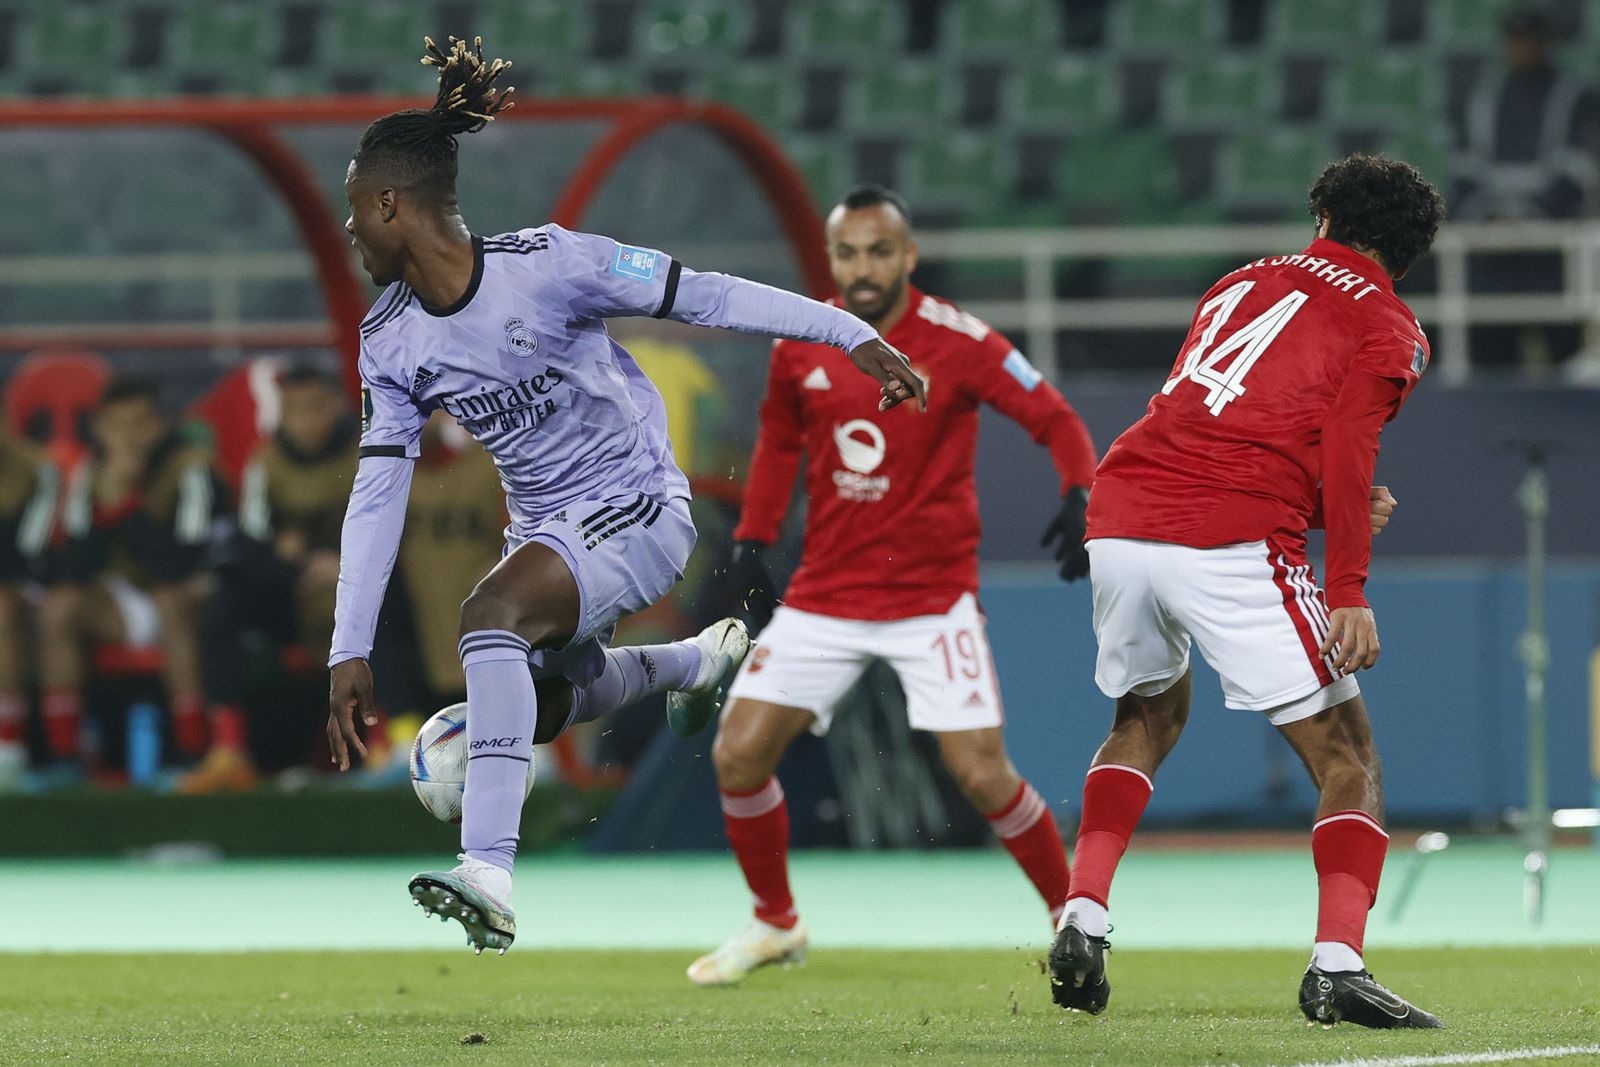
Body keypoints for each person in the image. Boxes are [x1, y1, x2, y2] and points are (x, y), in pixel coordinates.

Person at [326, 37, 927, 955]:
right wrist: (349, 645)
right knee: (545, 697)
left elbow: (709, 296)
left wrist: (847, 332)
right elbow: (378, 493)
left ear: (390, 204)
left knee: (490, 616)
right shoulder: (390, 340)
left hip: (639, 505)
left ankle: (487, 870)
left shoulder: (553, 264)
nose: (349, 232)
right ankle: (692, 664)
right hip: (550, 532)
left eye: (354, 213)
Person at [1047, 154, 1446, 1030]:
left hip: (1120, 515)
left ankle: (1082, 912)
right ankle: (1338, 963)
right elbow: (1346, 448)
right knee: (1349, 755)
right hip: (1225, 540)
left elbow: (1219, 422)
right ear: (1408, 256)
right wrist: (1348, 584)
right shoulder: (1390, 323)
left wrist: (1311, 506)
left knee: (1144, 717)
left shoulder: (1241, 281)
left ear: (1324, 219)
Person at [682, 184, 1098, 986]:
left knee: (982, 774)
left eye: (879, 251)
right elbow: (775, 440)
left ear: (909, 256)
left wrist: (1080, 488)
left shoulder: (960, 340)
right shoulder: (802, 340)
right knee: (737, 754)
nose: (863, 268)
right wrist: (753, 538)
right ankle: (776, 924)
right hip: (825, 597)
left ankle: (1073, 921)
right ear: (831, 258)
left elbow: (1056, 418)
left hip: (930, 602)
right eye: (848, 252)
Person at [179, 364, 358, 792]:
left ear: (336, 407)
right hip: (290, 589)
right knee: (222, 607)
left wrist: (345, 565)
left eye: (316, 408)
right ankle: (228, 751)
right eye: (294, 411)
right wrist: (294, 566)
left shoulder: (366, 453)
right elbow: (251, 545)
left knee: (380, 604)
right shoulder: (267, 462)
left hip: (352, 586)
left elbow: (392, 525)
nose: (305, 422)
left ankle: (389, 744)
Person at [40, 376, 219, 770]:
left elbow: (181, 563)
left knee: (172, 602)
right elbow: (69, 566)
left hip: (184, 599)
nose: (128, 437)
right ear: (101, 428)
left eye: (140, 424)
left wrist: (127, 502)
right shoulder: (91, 470)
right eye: (117, 425)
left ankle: (192, 753)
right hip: (123, 604)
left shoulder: (189, 467)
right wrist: (105, 505)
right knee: (60, 607)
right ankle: (65, 756)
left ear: (162, 424)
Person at [0, 427, 56, 786]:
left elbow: (30, 552)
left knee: (1, 607)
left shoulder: (38, 468)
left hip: (32, 582)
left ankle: (7, 750)